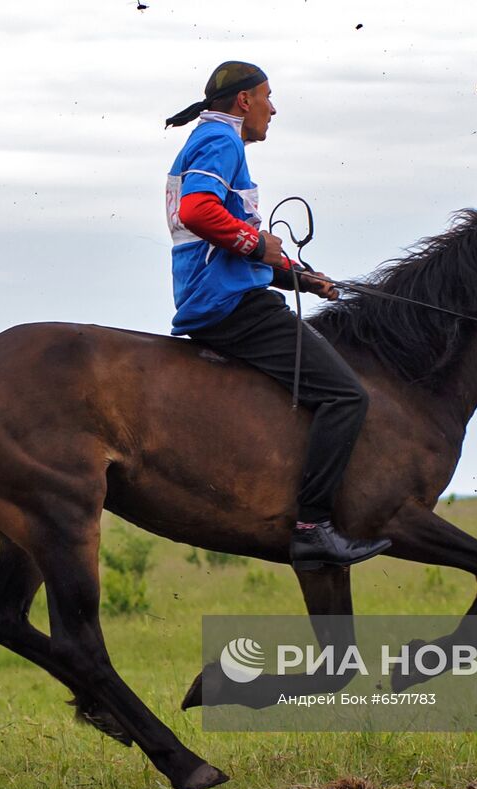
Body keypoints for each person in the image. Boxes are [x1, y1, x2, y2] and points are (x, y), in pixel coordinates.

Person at [163, 61, 391, 571]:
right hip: (230, 307)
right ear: (244, 101)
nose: (273, 108)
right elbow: (200, 212)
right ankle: (313, 528)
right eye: (268, 96)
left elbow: (231, 246)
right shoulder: (221, 141)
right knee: (345, 394)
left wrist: (297, 275)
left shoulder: (213, 142)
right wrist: (257, 242)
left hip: (226, 295)